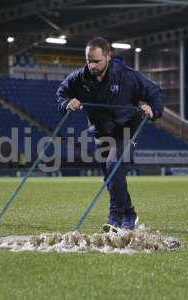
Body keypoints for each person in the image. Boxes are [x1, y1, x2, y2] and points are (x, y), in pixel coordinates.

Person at [56, 37, 164, 231]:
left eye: (96, 61)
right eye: (88, 60)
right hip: (101, 133)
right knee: (110, 176)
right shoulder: (79, 77)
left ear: (108, 56)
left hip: (126, 129)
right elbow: (62, 93)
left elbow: (155, 92)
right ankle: (130, 214)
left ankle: (115, 216)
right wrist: (67, 103)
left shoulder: (127, 76)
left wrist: (152, 109)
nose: (91, 65)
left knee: (113, 166)